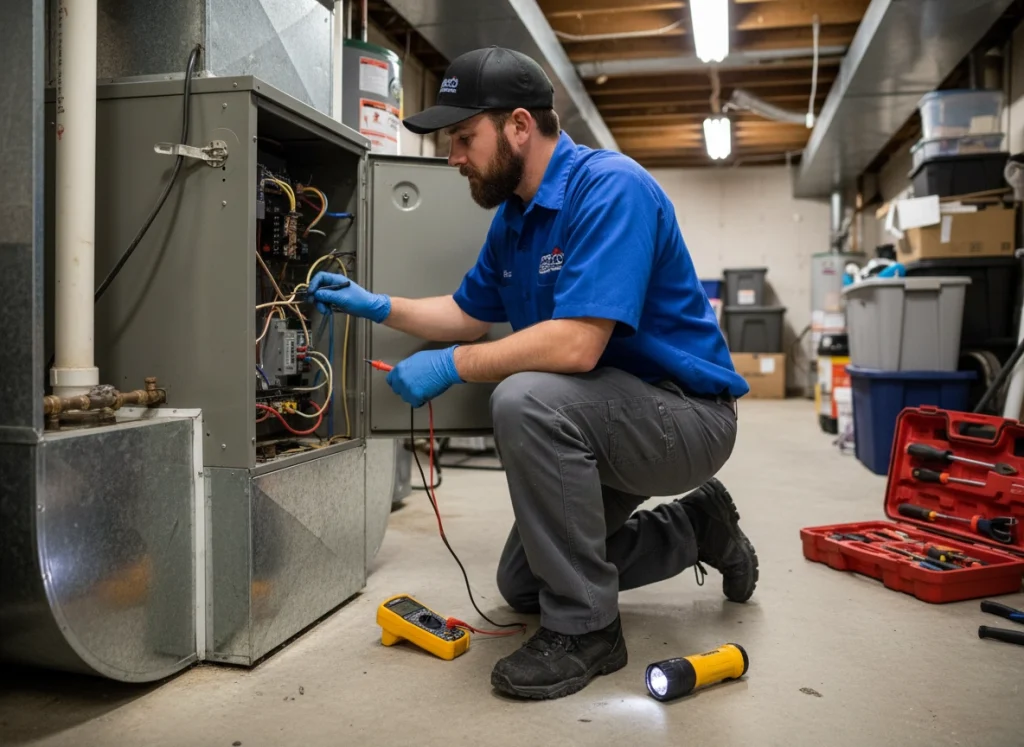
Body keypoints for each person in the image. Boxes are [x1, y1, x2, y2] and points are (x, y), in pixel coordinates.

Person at [308, 46, 758, 701]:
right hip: (607, 420)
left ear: (519, 125)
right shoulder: (514, 221)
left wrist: (454, 364)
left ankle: (590, 631)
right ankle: (697, 528)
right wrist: (377, 303)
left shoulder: (610, 187)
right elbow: (465, 312)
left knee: (526, 399)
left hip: (685, 416)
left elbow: (577, 344)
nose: (454, 156)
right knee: (525, 585)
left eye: (464, 138)